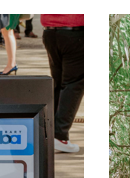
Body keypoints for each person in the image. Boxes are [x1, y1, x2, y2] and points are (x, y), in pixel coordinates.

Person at [41, 14, 84, 153]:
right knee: (73, 83)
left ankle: (50, 134)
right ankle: (59, 135)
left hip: (50, 30)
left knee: (58, 83)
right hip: (75, 30)